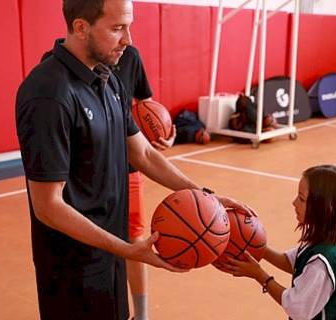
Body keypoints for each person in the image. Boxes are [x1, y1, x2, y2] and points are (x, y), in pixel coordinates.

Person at [15, 1, 254, 319]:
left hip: (110, 256)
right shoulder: (49, 94)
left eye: (129, 26)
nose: (128, 39)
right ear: (81, 27)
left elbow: (142, 153)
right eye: (117, 28)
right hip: (72, 270)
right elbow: (48, 206)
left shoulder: (107, 79)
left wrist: (203, 196)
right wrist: (126, 249)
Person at [225, 165, 336, 320]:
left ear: (323, 208)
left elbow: (297, 309)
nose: (294, 202)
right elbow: (291, 263)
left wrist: (259, 275)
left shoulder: (320, 264)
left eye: (301, 199)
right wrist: (253, 244)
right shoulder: (327, 240)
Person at [112, 45, 175, 320]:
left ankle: (141, 316)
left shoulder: (131, 56)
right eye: (117, 27)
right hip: (89, 171)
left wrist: (162, 132)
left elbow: (147, 107)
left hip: (129, 165)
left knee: (135, 240)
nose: (125, 36)